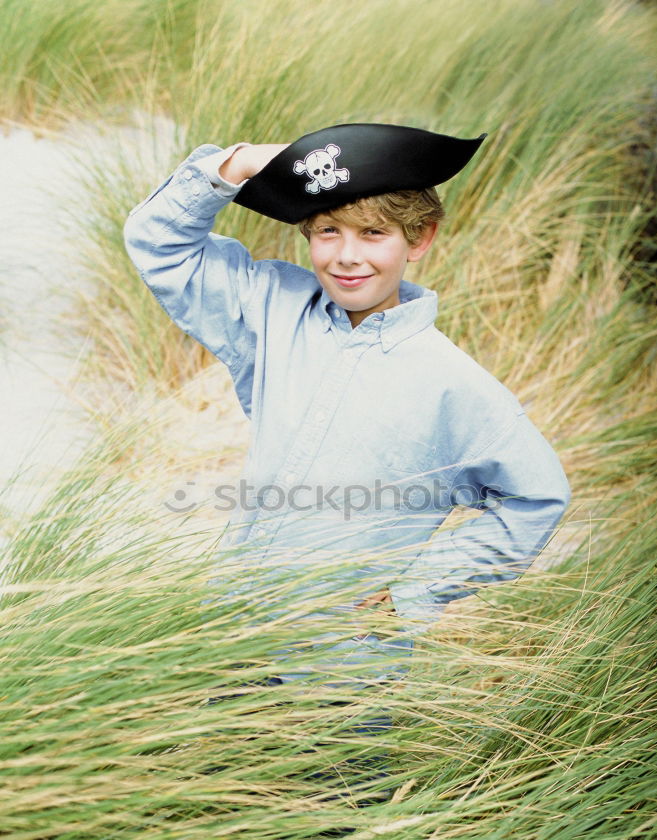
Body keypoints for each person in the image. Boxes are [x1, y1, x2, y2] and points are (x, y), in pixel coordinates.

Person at [123, 122, 571, 704]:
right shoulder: (270, 307)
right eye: (328, 231)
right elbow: (158, 244)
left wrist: (414, 593)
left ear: (420, 238)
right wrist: (236, 165)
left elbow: (537, 498)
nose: (347, 256)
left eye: (374, 233)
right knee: (208, 785)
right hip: (231, 634)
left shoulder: (455, 386)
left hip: (344, 668)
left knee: (337, 794)